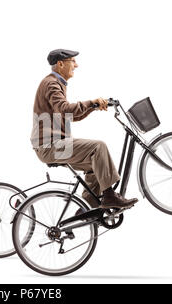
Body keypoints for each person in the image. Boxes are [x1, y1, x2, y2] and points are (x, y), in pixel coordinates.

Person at [30, 49, 138, 209]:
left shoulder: (55, 82)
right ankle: (109, 197)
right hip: (50, 147)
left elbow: (70, 116)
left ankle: (86, 210)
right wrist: (91, 102)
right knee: (98, 147)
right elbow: (66, 110)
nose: (76, 65)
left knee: (97, 165)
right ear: (60, 64)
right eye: (72, 61)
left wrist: (93, 106)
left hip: (53, 145)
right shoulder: (51, 83)